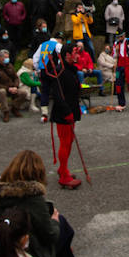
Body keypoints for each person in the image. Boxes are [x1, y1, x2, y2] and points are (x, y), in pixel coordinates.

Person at [42, 45, 86, 189]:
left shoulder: (71, 70)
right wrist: (67, 112)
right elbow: (57, 96)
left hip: (71, 111)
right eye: (75, 52)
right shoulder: (59, 72)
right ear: (67, 55)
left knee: (69, 141)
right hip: (63, 113)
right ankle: (64, 176)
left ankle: (63, 169)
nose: (78, 55)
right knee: (65, 142)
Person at [0, 49, 31, 121]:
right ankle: (6, 112)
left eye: (8, 57)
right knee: (2, 92)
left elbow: (16, 78)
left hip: (12, 87)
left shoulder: (10, 66)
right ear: (0, 58)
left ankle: (14, 108)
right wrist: (8, 88)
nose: (7, 59)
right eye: (5, 57)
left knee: (23, 93)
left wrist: (15, 87)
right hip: (1, 88)